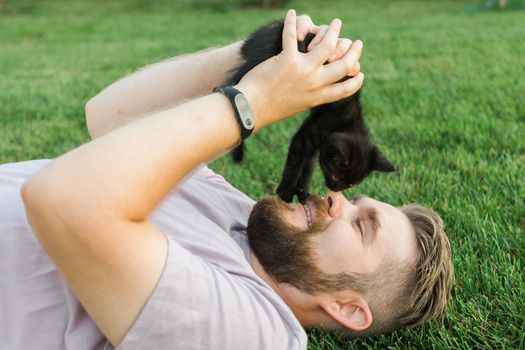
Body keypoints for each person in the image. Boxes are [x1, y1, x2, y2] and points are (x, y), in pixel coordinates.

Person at [0, 11, 453, 350]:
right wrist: (263, 53)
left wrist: (250, 103)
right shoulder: (237, 212)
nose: (337, 198)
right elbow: (107, 118)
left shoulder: (255, 330)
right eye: (357, 203)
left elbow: (63, 201)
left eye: (360, 225)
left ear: (347, 307)